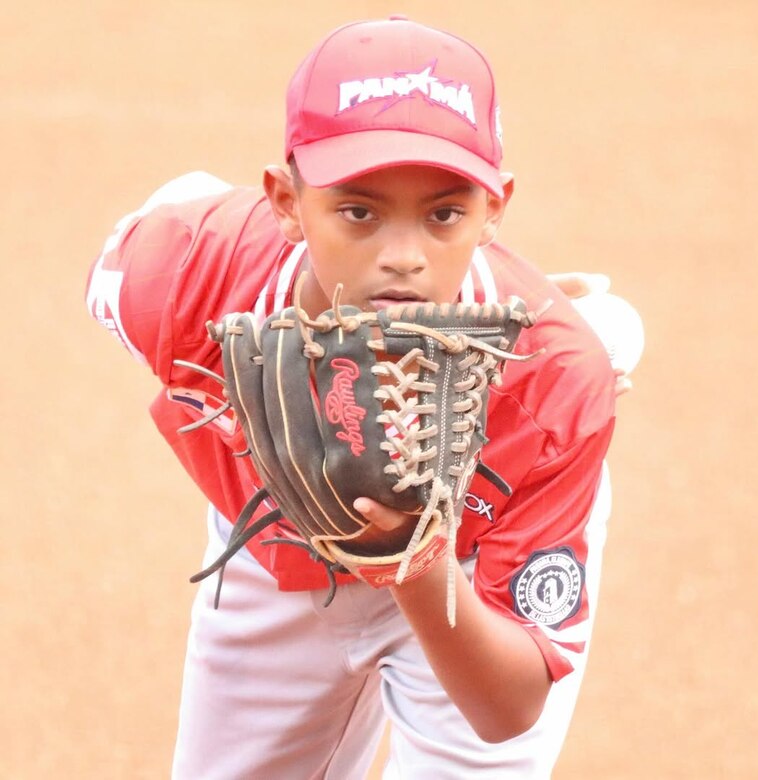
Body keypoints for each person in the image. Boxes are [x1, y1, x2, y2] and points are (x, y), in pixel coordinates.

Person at [86, 16, 624, 779]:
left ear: (494, 209)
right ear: (284, 199)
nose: (401, 259)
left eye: (445, 215)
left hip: (466, 563)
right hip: (276, 540)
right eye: (358, 212)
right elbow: (131, 254)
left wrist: (413, 563)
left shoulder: (554, 390)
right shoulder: (180, 276)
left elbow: (505, 712)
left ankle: (581, 316)